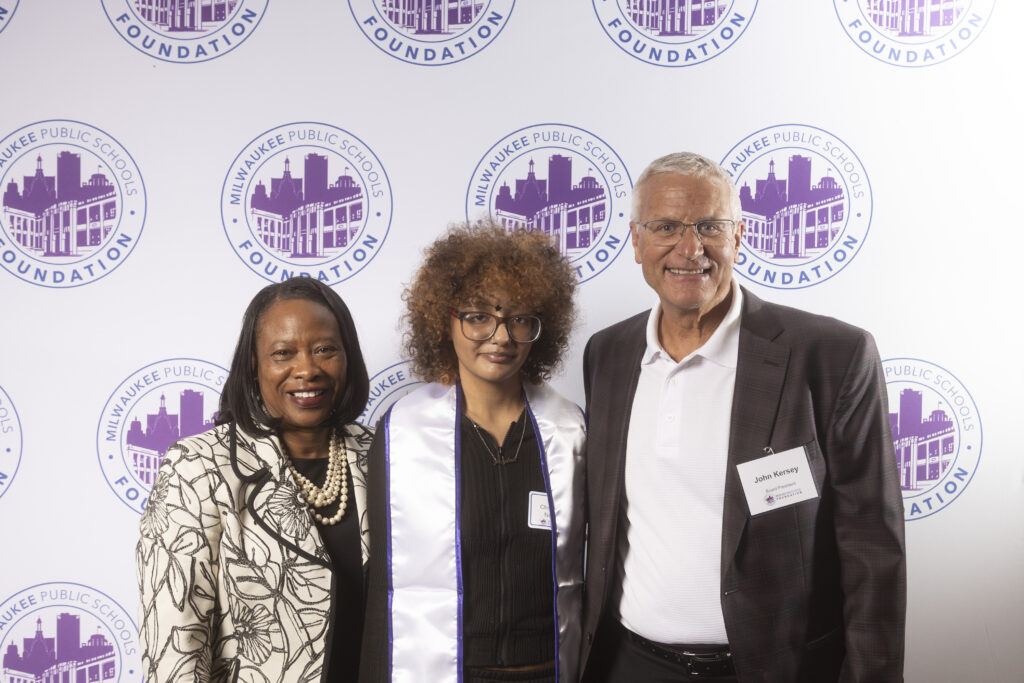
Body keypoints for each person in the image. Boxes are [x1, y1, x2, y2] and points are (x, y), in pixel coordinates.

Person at [579, 153, 906, 682]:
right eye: (666, 227)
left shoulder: (831, 355)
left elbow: (872, 547)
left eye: (710, 226)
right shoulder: (608, 353)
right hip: (630, 665)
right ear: (636, 241)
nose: (690, 248)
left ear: (739, 236)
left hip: (777, 669)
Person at [359, 221, 586, 683]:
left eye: (519, 318)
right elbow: (386, 588)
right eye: (479, 316)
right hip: (447, 670)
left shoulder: (571, 433)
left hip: (551, 669)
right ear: (444, 321)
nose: (501, 337)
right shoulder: (404, 433)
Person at [137, 276, 372, 683]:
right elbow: (175, 646)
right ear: (254, 365)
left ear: (348, 356)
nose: (307, 369)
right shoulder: (198, 467)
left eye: (325, 350)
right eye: (283, 353)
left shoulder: (382, 454)